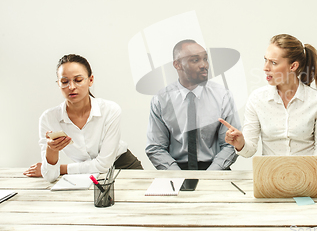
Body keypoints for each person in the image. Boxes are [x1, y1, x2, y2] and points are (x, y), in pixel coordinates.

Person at [24, 54, 142, 182]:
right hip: (87, 176)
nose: (71, 87)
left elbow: (103, 165)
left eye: (78, 80)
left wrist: (61, 169)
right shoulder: (49, 118)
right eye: (64, 82)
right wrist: (51, 149)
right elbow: (50, 176)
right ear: (58, 83)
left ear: (90, 80)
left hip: (124, 167)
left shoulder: (110, 110)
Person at [221, 34, 317, 158]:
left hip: (306, 174)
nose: (265, 68)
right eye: (265, 60)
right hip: (270, 174)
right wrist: (241, 144)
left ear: (293, 66)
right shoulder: (257, 99)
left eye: (273, 63)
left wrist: (311, 172)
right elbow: (250, 150)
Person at [146, 40, 240, 170]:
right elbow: (156, 147)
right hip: (175, 169)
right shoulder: (161, 99)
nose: (204, 65)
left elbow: (230, 145)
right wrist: (178, 176)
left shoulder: (223, 96)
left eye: (205, 59)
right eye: (195, 60)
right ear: (177, 64)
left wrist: (210, 176)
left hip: (214, 168)